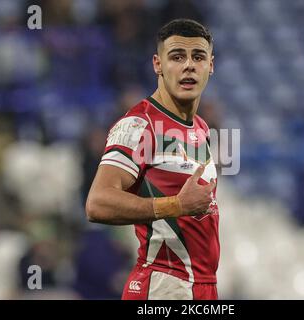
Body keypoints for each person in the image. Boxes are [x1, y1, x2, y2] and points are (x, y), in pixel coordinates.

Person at [85, 19, 219, 300]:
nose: (189, 66)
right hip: (163, 285)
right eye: (177, 57)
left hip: (202, 286)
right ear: (157, 64)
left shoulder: (201, 128)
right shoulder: (139, 124)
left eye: (198, 57)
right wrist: (177, 205)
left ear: (211, 65)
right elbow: (97, 203)